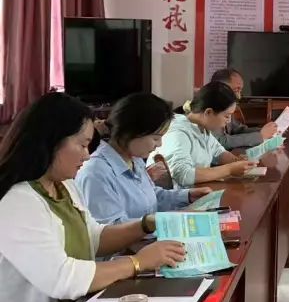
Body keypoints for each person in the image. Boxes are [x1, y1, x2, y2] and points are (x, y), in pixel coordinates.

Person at [0, 93, 186, 302]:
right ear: (51, 141)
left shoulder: (64, 186)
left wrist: (146, 224)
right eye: (82, 144)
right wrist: (138, 262)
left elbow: (94, 238)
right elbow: (62, 278)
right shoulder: (18, 200)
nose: (87, 154)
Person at [76, 93, 213, 225]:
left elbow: (150, 197)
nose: (159, 144)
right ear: (131, 132)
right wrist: (167, 221)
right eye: (156, 138)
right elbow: (111, 229)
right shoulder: (96, 172)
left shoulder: (134, 159)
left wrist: (188, 196)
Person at [159, 82, 257, 187]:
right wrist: (230, 169)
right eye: (227, 116)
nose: (228, 121)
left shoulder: (201, 128)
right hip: (178, 195)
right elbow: (183, 174)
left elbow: (218, 152)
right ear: (208, 112)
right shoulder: (178, 133)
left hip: (196, 191)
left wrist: (237, 161)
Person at [208, 68, 277, 151]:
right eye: (236, 90)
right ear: (221, 87)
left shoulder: (225, 104)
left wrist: (266, 131)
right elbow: (220, 142)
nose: (239, 96)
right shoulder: (209, 107)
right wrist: (260, 136)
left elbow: (239, 129)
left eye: (240, 91)